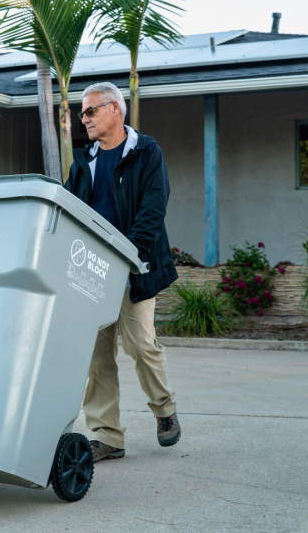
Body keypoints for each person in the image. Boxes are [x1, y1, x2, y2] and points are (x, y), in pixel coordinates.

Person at [64, 81, 180, 462]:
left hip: (135, 267)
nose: (84, 119)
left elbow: (154, 208)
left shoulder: (146, 152)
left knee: (141, 345)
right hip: (91, 272)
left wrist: (129, 254)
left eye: (90, 111)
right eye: (82, 113)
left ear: (115, 109)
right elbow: (68, 214)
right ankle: (107, 435)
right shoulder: (84, 162)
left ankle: (164, 411)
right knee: (96, 357)